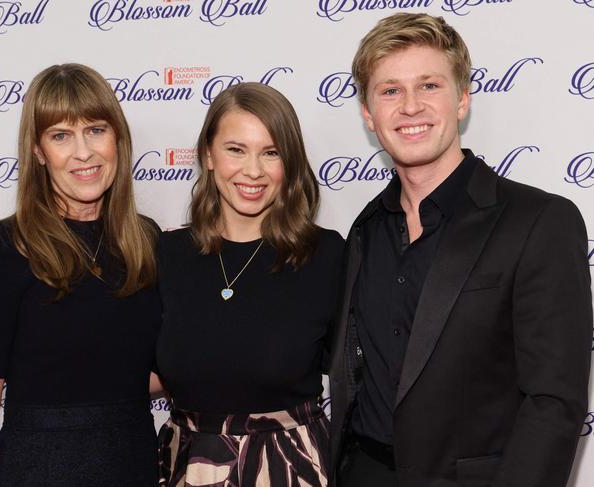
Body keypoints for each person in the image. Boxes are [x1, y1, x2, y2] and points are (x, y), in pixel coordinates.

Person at [328, 13, 592, 487]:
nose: (410, 106)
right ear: (368, 114)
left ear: (463, 99)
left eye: (429, 85)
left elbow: (554, 402)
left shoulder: (538, 221)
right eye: (389, 91)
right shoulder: (365, 230)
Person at [0, 63, 162, 487]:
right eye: (61, 135)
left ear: (118, 137)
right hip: (38, 469)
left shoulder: (147, 240)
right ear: (38, 151)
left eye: (96, 130)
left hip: (133, 463)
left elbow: (150, 372)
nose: (83, 152)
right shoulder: (4, 248)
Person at [155, 82, 344, 486]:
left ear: (289, 163)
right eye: (235, 149)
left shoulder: (326, 256)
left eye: (271, 152)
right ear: (208, 154)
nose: (253, 171)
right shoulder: (167, 254)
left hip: (291, 468)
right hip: (186, 466)